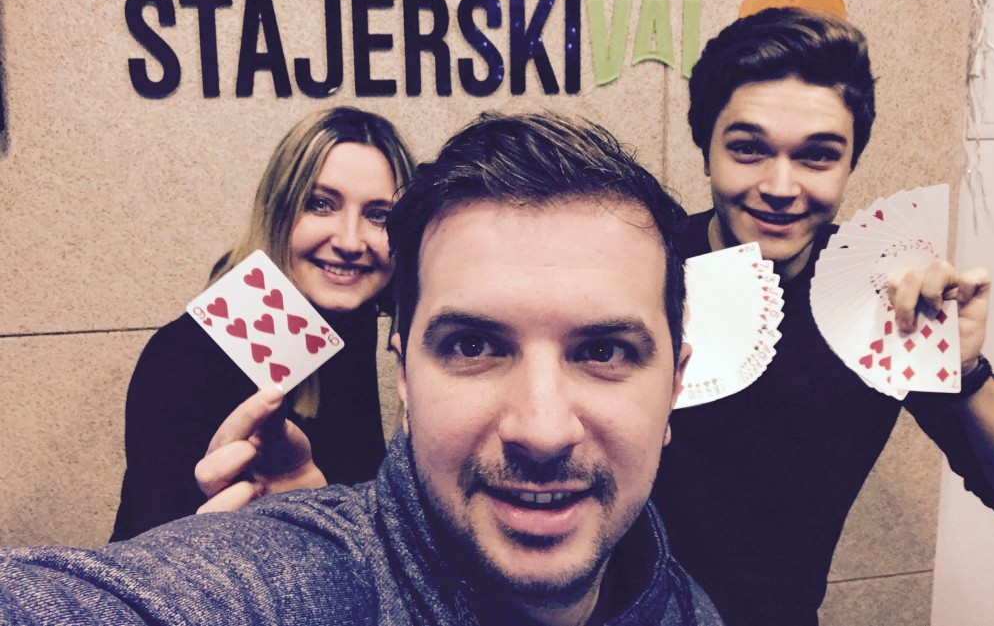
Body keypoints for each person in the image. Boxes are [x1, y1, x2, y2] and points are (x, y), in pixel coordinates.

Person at [0, 112, 724, 626]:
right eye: (473, 346)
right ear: (407, 373)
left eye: (603, 351)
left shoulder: (684, 604)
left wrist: (318, 500)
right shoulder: (194, 350)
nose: (349, 239)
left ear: (675, 383)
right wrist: (275, 536)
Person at [651, 7, 994, 626]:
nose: (780, 185)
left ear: (850, 164)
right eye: (747, 149)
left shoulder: (880, 292)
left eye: (817, 157)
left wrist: (964, 371)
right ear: (706, 149)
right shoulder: (645, 270)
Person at [109, 106, 416, 540]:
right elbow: (153, 546)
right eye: (320, 204)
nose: (350, 241)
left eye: (378, 214)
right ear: (277, 211)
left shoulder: (353, 322)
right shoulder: (184, 357)